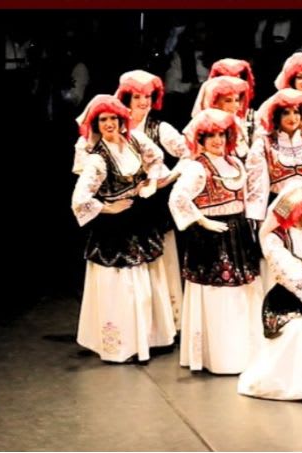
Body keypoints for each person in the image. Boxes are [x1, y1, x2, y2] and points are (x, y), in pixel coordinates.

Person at [71, 94, 179, 363]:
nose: (109, 124)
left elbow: (157, 158)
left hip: (139, 221)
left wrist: (149, 183)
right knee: (123, 287)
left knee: (146, 283)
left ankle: (150, 339)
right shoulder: (97, 159)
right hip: (114, 230)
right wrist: (109, 207)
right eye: (103, 120)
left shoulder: (135, 140)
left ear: (122, 120)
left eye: (113, 118)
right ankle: (123, 345)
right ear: (96, 124)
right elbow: (80, 199)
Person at [169, 108, 263, 373]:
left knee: (242, 291)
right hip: (212, 238)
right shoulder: (197, 167)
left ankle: (246, 354)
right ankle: (220, 358)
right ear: (201, 138)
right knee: (217, 293)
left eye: (221, 135)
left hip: (239, 233)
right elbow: (177, 198)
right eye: (211, 136)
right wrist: (202, 221)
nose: (217, 140)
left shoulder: (235, 164)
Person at [238, 182, 302, 400]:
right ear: (295, 208)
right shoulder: (275, 238)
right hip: (287, 301)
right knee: (299, 330)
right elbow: (289, 274)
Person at [113, 69, 188, 328]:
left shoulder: (160, 128)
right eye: (137, 96)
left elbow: (189, 153)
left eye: (148, 96)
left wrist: (167, 179)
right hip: (125, 207)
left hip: (153, 207)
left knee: (160, 263)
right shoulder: (116, 127)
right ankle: (134, 325)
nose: (144, 101)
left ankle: (165, 324)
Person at [245, 88, 302, 225]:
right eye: (286, 113)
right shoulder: (264, 145)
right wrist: (259, 220)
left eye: (296, 112)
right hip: (281, 206)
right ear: (276, 116)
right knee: (286, 237)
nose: (292, 118)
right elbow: (258, 187)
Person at [190, 75, 253, 160]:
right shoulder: (201, 125)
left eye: (237, 100)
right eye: (228, 101)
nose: (235, 105)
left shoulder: (238, 123)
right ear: (214, 103)